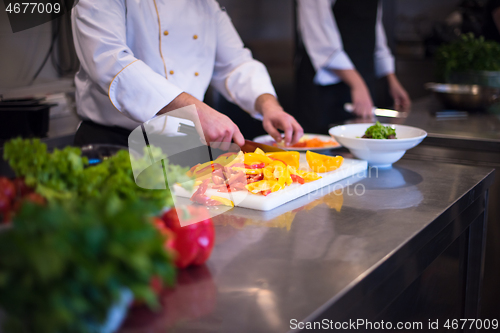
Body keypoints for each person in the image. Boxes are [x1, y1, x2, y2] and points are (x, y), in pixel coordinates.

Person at [71, 0, 303, 148]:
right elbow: (112, 64)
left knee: (195, 224)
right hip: (115, 145)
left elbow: (236, 63)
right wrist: (196, 111)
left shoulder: (205, 5)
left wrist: (269, 106)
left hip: (181, 146)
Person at [293, 0, 411, 134]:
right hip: (325, 90)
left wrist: (391, 79)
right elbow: (320, 40)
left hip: (363, 84)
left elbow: (375, 31)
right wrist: (357, 84)